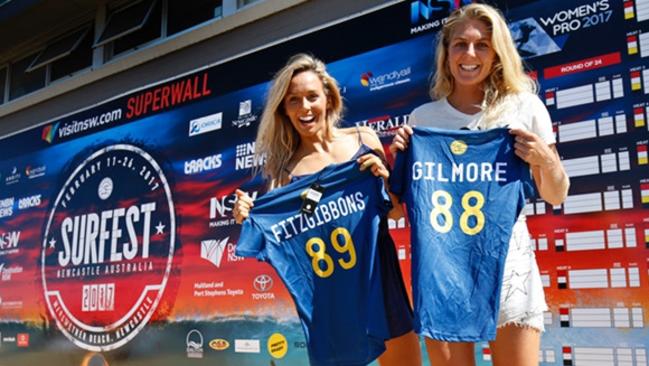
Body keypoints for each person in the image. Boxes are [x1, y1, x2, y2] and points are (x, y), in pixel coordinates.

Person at [390, 3, 569, 366]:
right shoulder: (422, 120)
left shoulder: (525, 107)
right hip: (445, 276)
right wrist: (399, 160)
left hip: (509, 269)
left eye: (482, 45)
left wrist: (544, 159)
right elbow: (397, 206)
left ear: (497, 52)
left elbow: (556, 193)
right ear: (446, 53)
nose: (469, 54)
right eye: (460, 44)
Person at [233, 53, 421, 366]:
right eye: (293, 100)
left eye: (311, 97)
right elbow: (275, 238)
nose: (304, 108)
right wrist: (249, 214)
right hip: (332, 297)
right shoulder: (285, 172)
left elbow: (397, 213)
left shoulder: (364, 139)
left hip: (381, 280)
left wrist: (385, 179)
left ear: (328, 97)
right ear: (285, 109)